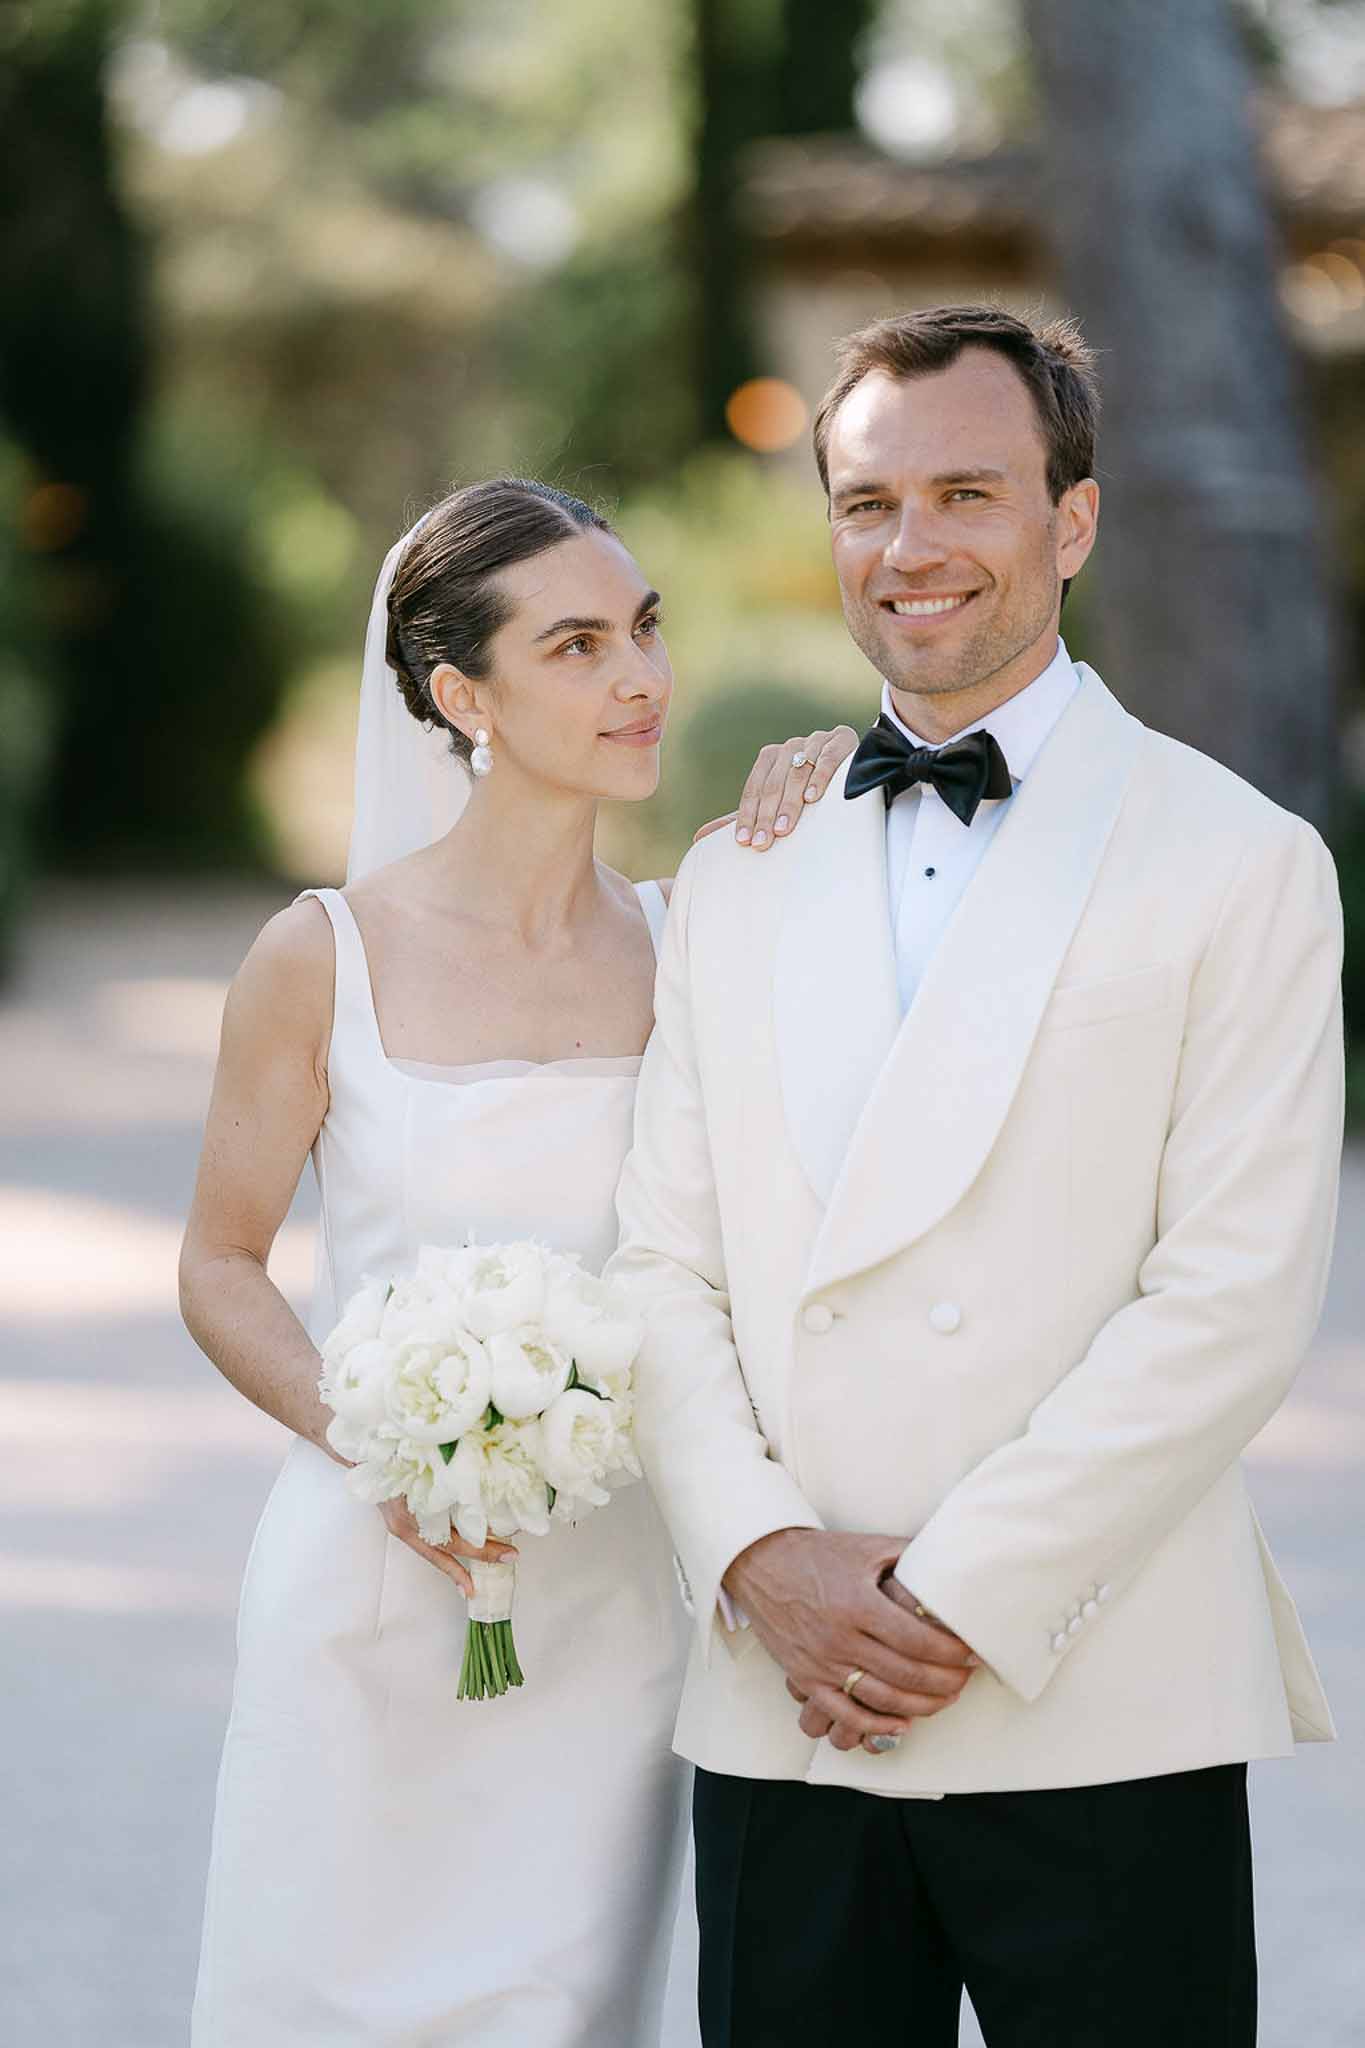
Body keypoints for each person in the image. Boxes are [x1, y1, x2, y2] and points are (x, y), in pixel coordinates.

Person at [609, 305, 1343, 2048]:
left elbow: (1232, 1302)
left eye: (967, 493)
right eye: (867, 503)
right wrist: (765, 1557)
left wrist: (949, 1603)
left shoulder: (1240, 861)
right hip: (784, 1689)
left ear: (1068, 522)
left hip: (1089, 1674)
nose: (911, 547)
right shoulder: (737, 872)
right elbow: (659, 1266)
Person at [178, 476, 855, 2047]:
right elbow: (220, 1263)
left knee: (560, 2009)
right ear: (457, 694)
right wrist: (384, 1445)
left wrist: (854, 776)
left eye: (644, 629)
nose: (638, 679)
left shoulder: (705, 935)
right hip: (369, 1581)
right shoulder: (321, 954)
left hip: (615, 1605)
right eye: (575, 646)